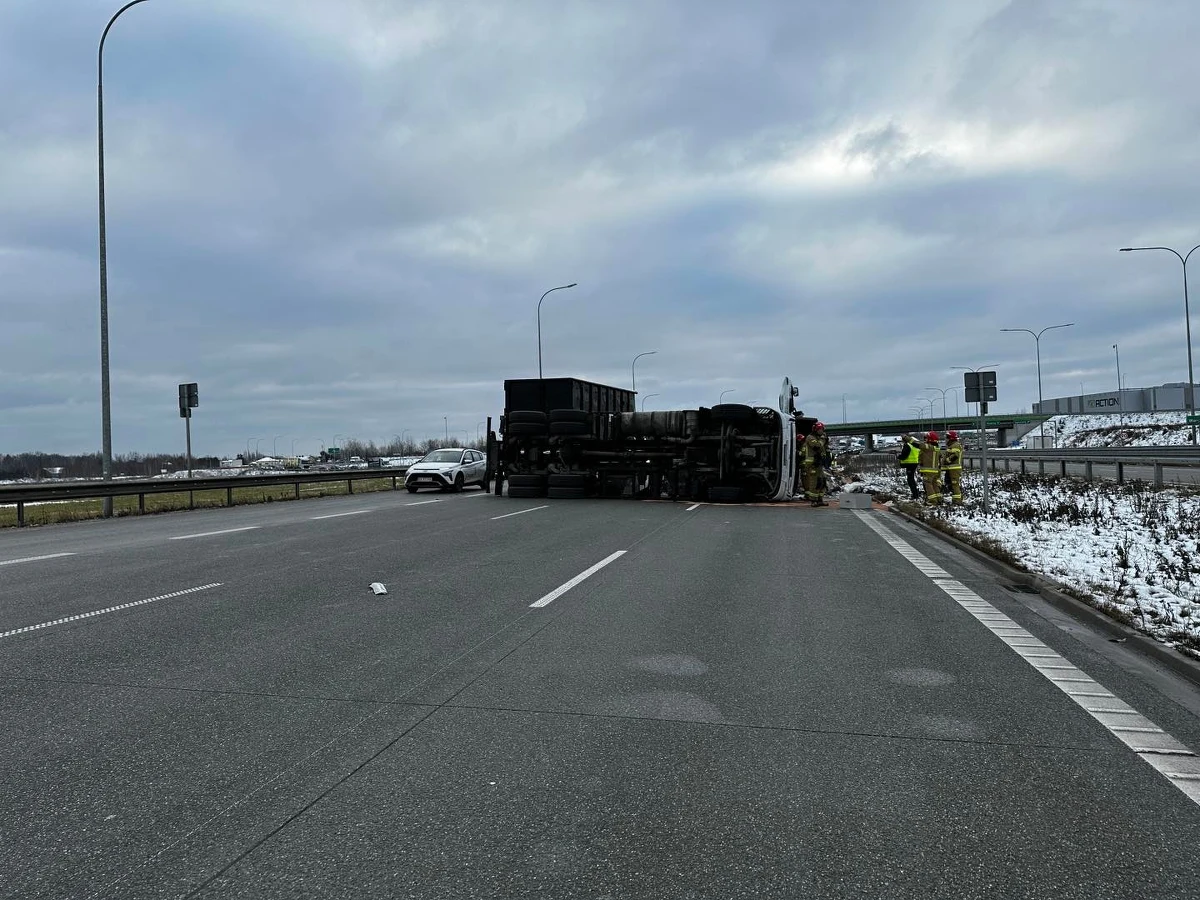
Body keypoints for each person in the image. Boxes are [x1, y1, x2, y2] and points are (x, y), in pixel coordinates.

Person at [802, 422, 828, 506]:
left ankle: (820, 499)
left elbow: (823, 448)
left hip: (819, 463)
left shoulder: (819, 438)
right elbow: (817, 446)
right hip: (812, 463)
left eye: (822, 429)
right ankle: (813, 500)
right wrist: (823, 439)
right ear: (815, 430)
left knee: (822, 481)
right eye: (819, 429)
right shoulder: (810, 437)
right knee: (814, 482)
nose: (821, 431)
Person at [914, 430, 942, 505]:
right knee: (934, 484)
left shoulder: (928, 447)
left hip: (928, 470)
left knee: (928, 484)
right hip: (935, 470)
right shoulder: (936, 448)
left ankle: (933, 501)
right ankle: (939, 499)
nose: (925, 440)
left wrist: (905, 437)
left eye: (926, 438)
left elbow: (918, 445)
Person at [942, 430, 964, 505]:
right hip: (950, 469)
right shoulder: (951, 445)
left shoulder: (955, 445)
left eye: (947, 438)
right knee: (950, 484)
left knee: (954, 484)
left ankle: (957, 501)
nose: (946, 439)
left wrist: (947, 460)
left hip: (954, 469)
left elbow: (955, 455)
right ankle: (956, 499)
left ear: (951, 438)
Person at [897, 434, 921, 500]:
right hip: (914, 463)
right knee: (911, 479)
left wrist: (898, 456)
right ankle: (916, 494)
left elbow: (904, 456)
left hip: (909, 464)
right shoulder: (914, 445)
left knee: (910, 480)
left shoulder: (907, 445)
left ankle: (915, 495)